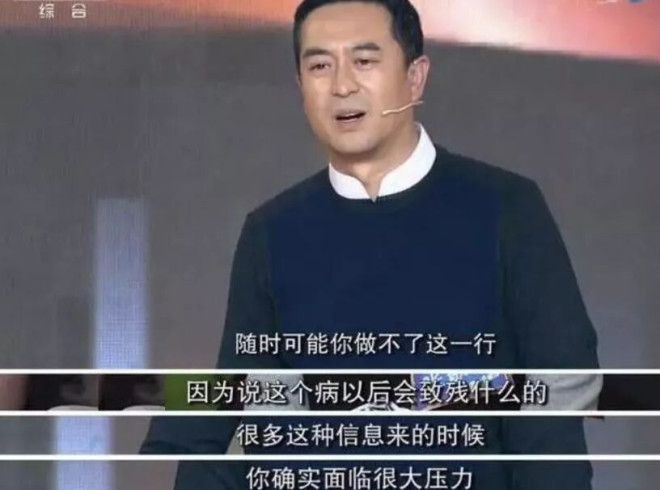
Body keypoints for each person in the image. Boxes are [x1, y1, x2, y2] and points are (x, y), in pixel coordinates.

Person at [141, 0, 601, 488]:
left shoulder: (506, 208)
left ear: (415, 78)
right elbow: (240, 401)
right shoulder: (271, 231)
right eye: (320, 66)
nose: (341, 85)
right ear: (301, 88)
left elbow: (556, 400)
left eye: (364, 60)